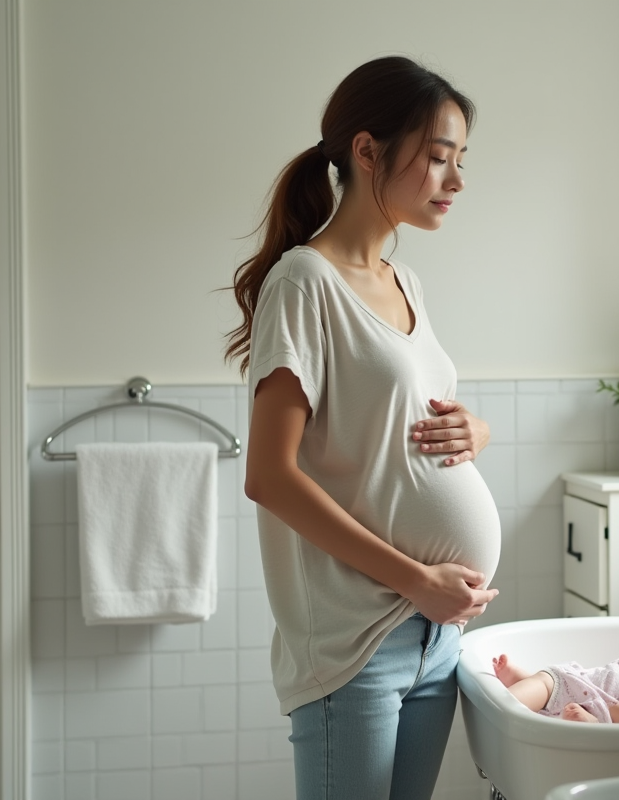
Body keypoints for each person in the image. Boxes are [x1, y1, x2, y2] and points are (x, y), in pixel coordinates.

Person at [224, 56, 500, 800]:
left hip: (437, 636)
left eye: (461, 160)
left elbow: (398, 420)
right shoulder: (303, 282)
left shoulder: (406, 282)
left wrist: (475, 431)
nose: (456, 179)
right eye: (438, 156)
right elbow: (270, 477)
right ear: (368, 151)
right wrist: (418, 581)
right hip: (359, 643)